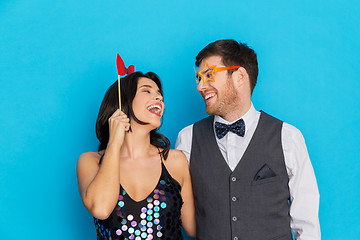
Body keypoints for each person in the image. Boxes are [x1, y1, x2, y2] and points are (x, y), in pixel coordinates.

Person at [176, 39, 320, 240]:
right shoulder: (187, 138)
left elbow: (306, 225)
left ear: (240, 76)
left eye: (209, 75)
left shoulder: (288, 137)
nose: (201, 86)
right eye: (199, 79)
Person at [77, 71, 195, 240]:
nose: (159, 98)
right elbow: (101, 209)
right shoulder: (91, 162)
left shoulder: (174, 161)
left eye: (159, 94)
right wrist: (114, 143)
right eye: (147, 91)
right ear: (122, 102)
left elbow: (194, 228)